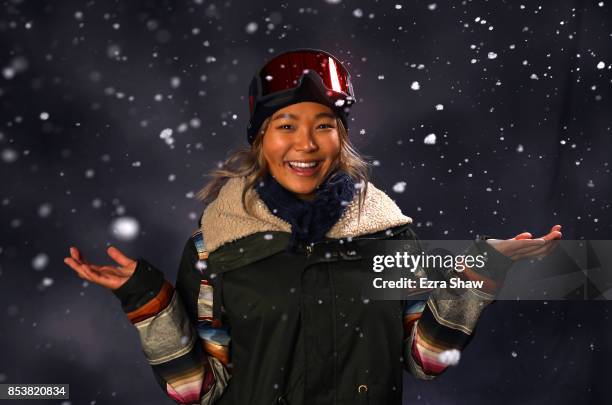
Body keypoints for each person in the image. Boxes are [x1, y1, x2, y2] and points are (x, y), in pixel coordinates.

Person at [64, 49, 562, 405]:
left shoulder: (389, 238)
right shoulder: (213, 248)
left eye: (323, 124)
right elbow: (197, 389)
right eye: (286, 125)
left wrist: (480, 273)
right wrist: (146, 299)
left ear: (340, 138)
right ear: (260, 139)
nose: (305, 144)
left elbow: (425, 361)